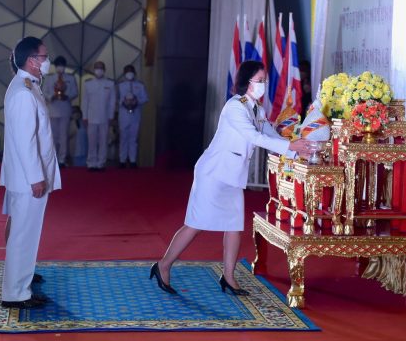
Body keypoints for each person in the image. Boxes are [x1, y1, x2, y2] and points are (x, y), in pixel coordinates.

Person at [151, 61, 312, 295]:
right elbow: (253, 137)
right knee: (196, 224)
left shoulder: (257, 109)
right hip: (213, 173)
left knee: (234, 226)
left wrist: (296, 146)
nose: (263, 85)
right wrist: (291, 147)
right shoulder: (235, 107)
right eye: (259, 81)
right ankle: (163, 265)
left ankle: (228, 277)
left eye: (264, 81)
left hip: (233, 176)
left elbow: (268, 134)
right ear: (246, 82)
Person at [0, 36, 61, 309]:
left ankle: (21, 285)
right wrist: (36, 177)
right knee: (23, 235)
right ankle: (15, 294)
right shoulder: (24, 92)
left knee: (25, 234)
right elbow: (26, 141)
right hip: (27, 179)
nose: (47, 61)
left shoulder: (28, 86)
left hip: (25, 176)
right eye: (44, 57)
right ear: (32, 60)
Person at [41, 56, 78, 167]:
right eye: (58, 65)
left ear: (64, 66)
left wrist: (67, 96)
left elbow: (75, 92)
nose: (60, 67)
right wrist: (51, 97)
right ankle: (53, 159)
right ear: (55, 66)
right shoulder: (49, 78)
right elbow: (44, 92)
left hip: (65, 109)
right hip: (53, 109)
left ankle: (62, 159)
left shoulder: (70, 78)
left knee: (63, 136)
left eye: (62, 65)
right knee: (53, 136)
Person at [82, 61, 115, 171]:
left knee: (103, 141)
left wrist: (111, 116)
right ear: (93, 70)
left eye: (101, 68)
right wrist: (85, 116)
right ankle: (91, 163)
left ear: (104, 70)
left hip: (105, 117)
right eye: (97, 68)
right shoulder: (88, 84)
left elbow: (112, 102)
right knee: (91, 141)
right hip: (91, 117)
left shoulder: (110, 84)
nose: (98, 70)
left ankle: (101, 163)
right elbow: (85, 102)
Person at [116, 64, 149, 168]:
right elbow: (116, 99)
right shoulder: (120, 86)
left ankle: (132, 160)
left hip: (135, 114)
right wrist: (124, 102)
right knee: (123, 138)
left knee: (133, 138)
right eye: (127, 71)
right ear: (124, 73)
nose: (129, 73)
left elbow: (145, 98)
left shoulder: (140, 85)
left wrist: (136, 101)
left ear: (134, 73)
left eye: (131, 71)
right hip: (123, 114)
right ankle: (122, 160)